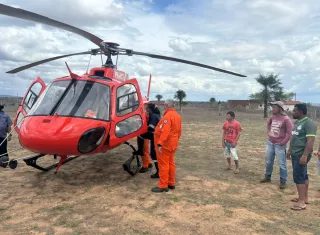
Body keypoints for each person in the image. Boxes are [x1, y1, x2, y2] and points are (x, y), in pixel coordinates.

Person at [286, 103, 317, 210]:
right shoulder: (298, 122)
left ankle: (301, 202)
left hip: (301, 154)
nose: (293, 112)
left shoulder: (309, 123)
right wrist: (289, 149)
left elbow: (310, 140)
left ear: (300, 111)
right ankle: (304, 198)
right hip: (295, 152)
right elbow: (294, 137)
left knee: (299, 176)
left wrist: (304, 155)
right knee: (303, 175)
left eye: (294, 110)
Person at [260, 101, 293, 189]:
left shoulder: (286, 119)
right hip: (270, 142)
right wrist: (268, 131)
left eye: (275, 107)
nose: (273, 109)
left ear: (280, 108)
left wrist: (282, 143)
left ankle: (283, 181)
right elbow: (268, 123)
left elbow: (289, 134)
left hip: (280, 145)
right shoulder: (272, 117)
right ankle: (267, 177)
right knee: (268, 161)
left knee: (282, 163)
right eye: (272, 107)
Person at [152, 99, 182, 193]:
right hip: (172, 144)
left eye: (164, 104)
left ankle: (163, 185)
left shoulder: (168, 116)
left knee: (163, 164)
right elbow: (179, 131)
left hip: (165, 144)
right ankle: (171, 182)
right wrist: (175, 140)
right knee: (170, 163)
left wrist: (160, 143)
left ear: (166, 105)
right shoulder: (177, 116)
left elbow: (165, 131)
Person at [133, 103, 161, 178]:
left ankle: (156, 171)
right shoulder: (154, 115)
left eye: (147, 108)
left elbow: (151, 128)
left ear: (149, 109)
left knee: (151, 153)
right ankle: (150, 165)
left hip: (155, 137)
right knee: (151, 154)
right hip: (154, 137)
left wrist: (141, 132)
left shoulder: (153, 116)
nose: (146, 109)